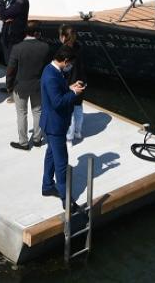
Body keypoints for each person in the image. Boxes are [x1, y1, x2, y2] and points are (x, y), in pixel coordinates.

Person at [39, 45, 85, 205]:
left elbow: (58, 92)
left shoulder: (50, 70)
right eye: (70, 63)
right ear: (65, 61)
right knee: (61, 162)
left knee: (51, 154)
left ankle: (47, 185)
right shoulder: (52, 76)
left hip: (52, 124)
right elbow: (58, 102)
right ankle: (67, 200)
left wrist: (70, 88)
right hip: (55, 126)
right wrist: (73, 94)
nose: (70, 67)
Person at [6, 23, 53, 150]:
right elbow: (48, 67)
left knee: (22, 113)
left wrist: (9, 86)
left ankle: (23, 142)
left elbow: (11, 70)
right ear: (37, 33)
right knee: (37, 112)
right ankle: (37, 139)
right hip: (38, 85)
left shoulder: (17, 48)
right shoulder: (45, 47)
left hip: (20, 86)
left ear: (25, 33)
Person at [59, 26, 87, 143]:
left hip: (70, 84)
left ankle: (69, 138)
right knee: (78, 108)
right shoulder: (79, 47)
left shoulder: (63, 51)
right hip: (81, 81)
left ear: (64, 37)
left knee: (69, 112)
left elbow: (62, 69)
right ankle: (78, 132)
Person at [0, 0, 30, 71]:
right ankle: (11, 84)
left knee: (12, 63)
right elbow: (1, 14)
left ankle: (12, 84)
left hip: (13, 37)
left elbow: (1, 14)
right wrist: (4, 16)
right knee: (9, 63)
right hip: (8, 35)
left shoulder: (20, 1)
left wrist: (0, 1)